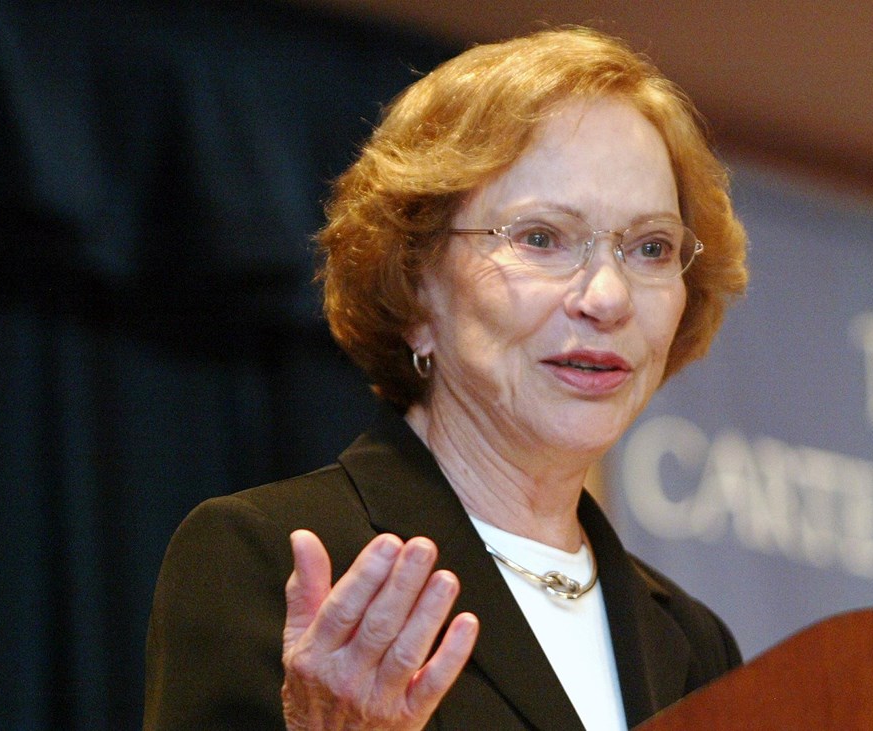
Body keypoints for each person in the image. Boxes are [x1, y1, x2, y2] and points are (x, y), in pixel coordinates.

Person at [143, 26, 748, 730]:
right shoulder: (268, 558)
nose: (608, 297)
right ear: (415, 284)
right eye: (542, 238)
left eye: (651, 247)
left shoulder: (695, 645)